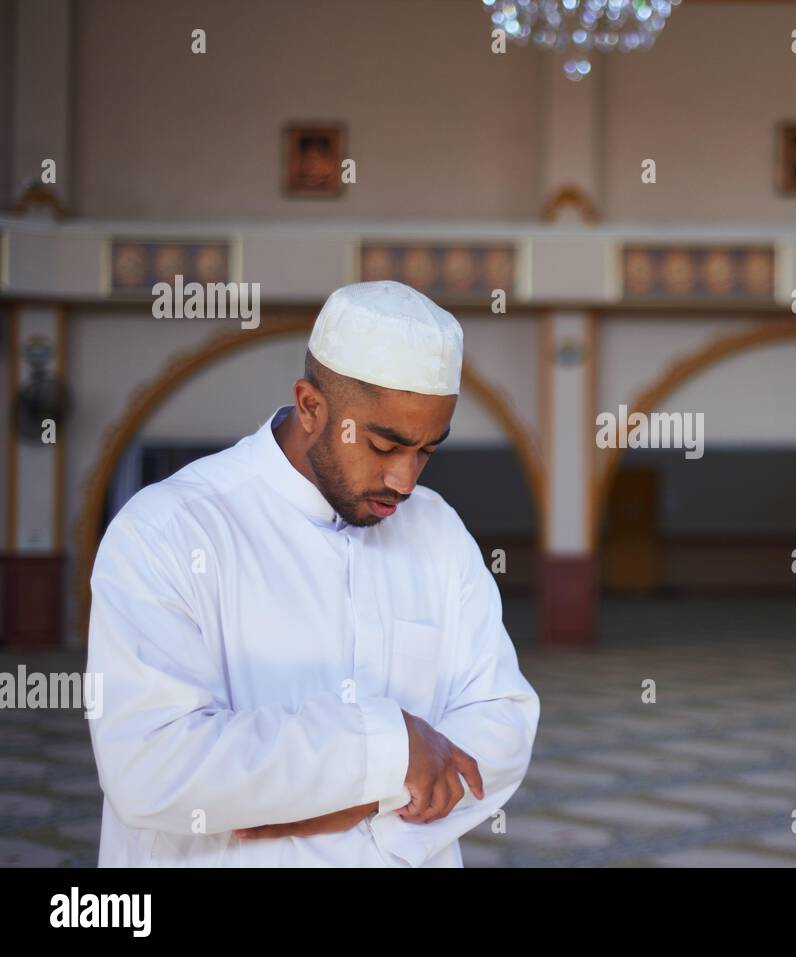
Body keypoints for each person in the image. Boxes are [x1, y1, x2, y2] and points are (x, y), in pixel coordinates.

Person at [86, 280, 540, 866]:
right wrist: (386, 748)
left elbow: (501, 720)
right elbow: (148, 764)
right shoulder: (170, 529)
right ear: (310, 406)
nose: (406, 480)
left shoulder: (438, 531)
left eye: (427, 451)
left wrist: (366, 811)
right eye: (384, 445)